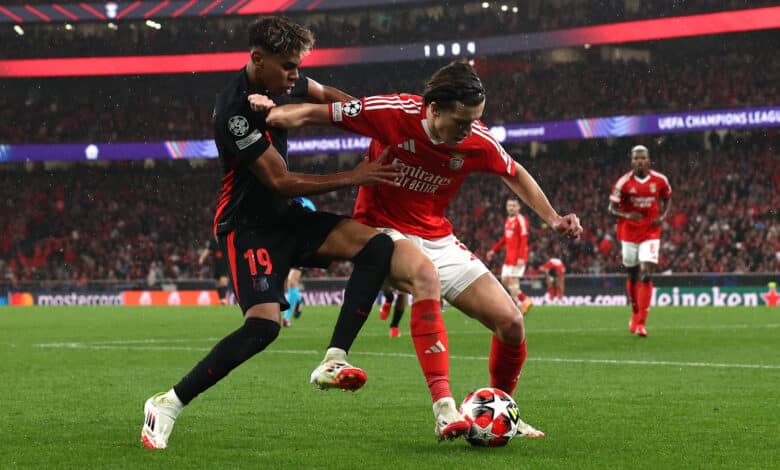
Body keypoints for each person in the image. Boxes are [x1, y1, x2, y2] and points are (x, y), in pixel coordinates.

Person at [262, 61, 583, 438]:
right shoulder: (393, 113)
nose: (468, 131)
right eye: (462, 121)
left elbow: (514, 172)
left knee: (512, 323)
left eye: (474, 120)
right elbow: (319, 112)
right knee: (424, 277)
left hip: (437, 236)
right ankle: (444, 408)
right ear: (434, 109)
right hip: (380, 230)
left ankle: (499, 410)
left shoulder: (476, 139)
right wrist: (270, 114)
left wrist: (554, 216)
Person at [140, 16, 405, 450]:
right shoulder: (234, 113)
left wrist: (370, 122)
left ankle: (334, 359)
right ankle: (167, 403)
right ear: (258, 60)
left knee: (376, 246)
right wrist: (356, 175)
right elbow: (279, 180)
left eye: (299, 67)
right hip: (248, 228)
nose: (296, 76)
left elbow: (332, 99)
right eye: (288, 68)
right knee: (263, 329)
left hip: (288, 217)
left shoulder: (286, 82)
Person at [608, 145, 672, 337]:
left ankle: (641, 323)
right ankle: (635, 312)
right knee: (633, 274)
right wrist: (627, 214)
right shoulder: (623, 183)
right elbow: (611, 208)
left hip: (651, 231)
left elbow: (667, 198)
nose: (639, 161)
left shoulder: (660, 180)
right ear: (632, 161)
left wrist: (663, 217)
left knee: (646, 273)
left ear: (648, 160)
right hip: (629, 233)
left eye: (643, 158)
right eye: (636, 158)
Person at [486, 196, 533, 315]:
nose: (511, 208)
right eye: (509, 206)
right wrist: (493, 250)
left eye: (513, 206)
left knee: (513, 282)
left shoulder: (521, 220)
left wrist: (522, 257)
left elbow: (524, 239)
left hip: (517, 257)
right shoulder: (508, 220)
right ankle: (525, 300)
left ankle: (515, 309)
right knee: (505, 280)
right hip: (508, 257)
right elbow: (504, 239)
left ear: (519, 207)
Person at [281, 197, 316, 327]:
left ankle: (286, 318)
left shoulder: (307, 204)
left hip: (302, 247)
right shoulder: (282, 203)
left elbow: (314, 225)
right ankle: (299, 299)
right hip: (288, 247)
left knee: (291, 281)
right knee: (286, 282)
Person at [199, 237, 231, 305]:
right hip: (216, 264)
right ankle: (221, 299)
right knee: (218, 282)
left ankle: (224, 299)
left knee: (224, 280)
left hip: (225, 263)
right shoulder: (213, 241)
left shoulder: (225, 239)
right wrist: (202, 258)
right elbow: (208, 250)